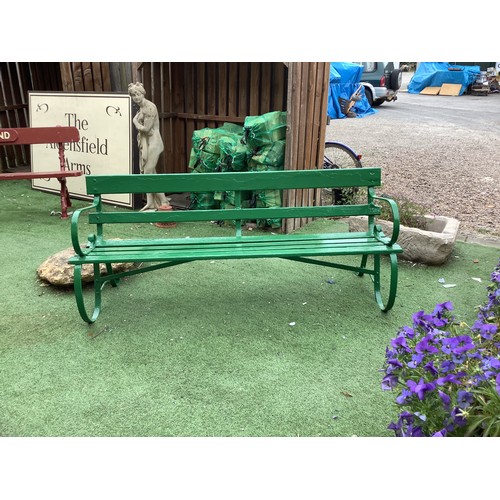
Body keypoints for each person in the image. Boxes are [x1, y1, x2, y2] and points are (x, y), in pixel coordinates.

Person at [128, 82, 170, 210]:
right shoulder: (141, 107)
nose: (136, 97)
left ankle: (163, 201)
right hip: (147, 142)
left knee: (147, 173)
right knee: (151, 172)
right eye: (133, 95)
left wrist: (135, 121)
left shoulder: (149, 108)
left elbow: (146, 129)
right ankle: (151, 202)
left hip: (154, 142)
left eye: (138, 94)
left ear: (143, 94)